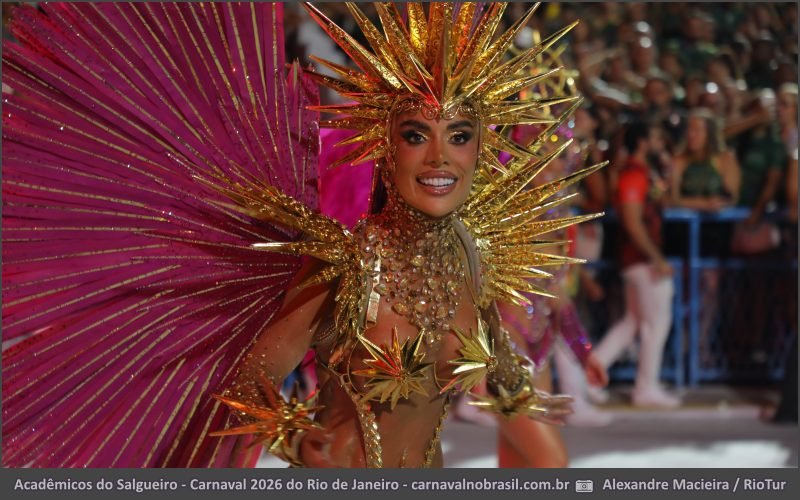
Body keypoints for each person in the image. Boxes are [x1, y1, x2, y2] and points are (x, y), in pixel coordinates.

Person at [2, 3, 598, 468]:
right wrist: (297, 439)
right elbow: (248, 380)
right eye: (417, 135)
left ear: (481, 148)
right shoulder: (349, 266)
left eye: (460, 135)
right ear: (385, 151)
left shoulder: (473, 251)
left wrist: (524, 395)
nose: (440, 157)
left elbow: (495, 350)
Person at [592, 122, 680, 408]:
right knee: (655, 324)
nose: (660, 141)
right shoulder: (633, 174)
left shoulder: (642, 172)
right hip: (642, 260)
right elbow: (632, 221)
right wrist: (656, 257)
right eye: (655, 136)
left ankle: (589, 378)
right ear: (642, 142)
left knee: (632, 323)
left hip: (638, 259)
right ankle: (646, 387)